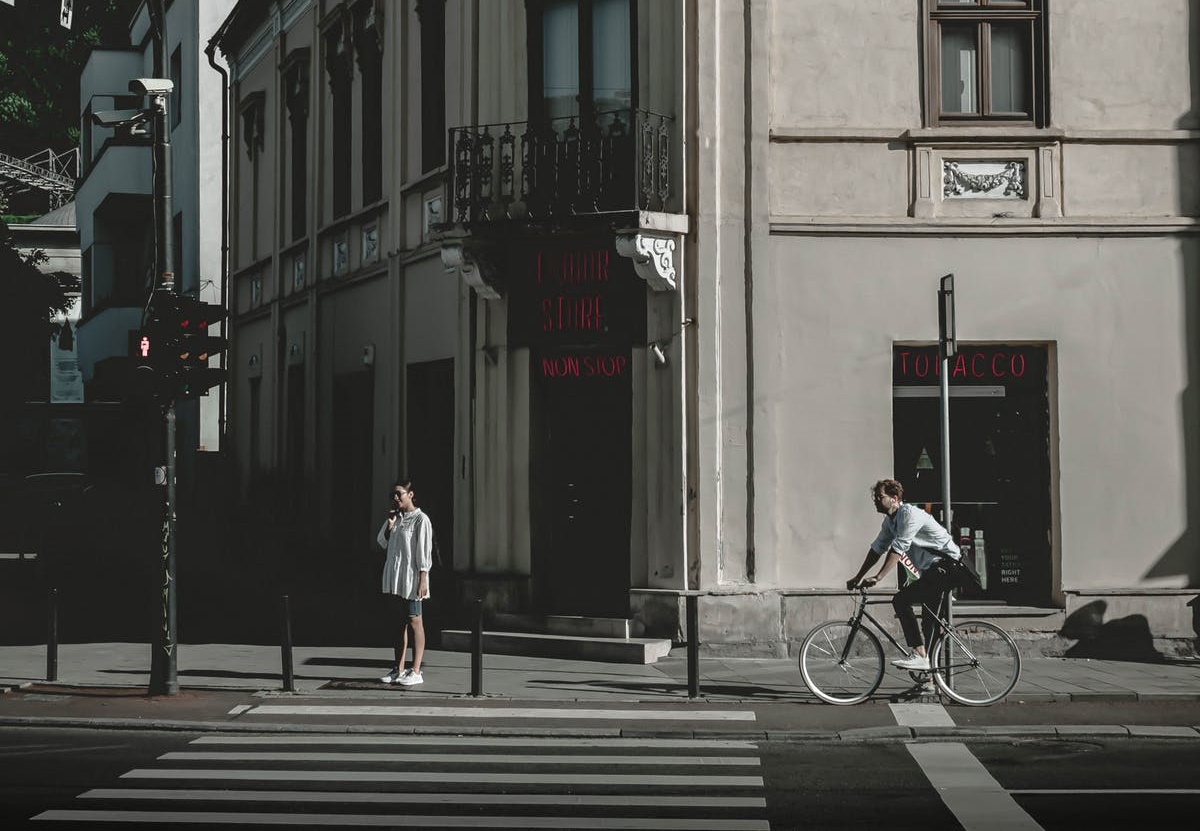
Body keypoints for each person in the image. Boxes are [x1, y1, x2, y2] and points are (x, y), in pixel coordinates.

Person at [846, 478, 961, 671]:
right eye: (875, 497)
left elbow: (898, 548)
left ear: (894, 498)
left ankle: (920, 655)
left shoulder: (909, 514)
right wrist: (858, 577)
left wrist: (878, 577)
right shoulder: (890, 522)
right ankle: (930, 676)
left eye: (879, 496)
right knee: (928, 625)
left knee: (901, 600)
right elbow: (877, 549)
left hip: (947, 566)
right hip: (932, 570)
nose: (875, 500)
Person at [376, 478, 433, 686]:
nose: (396, 497)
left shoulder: (421, 519)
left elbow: (423, 551)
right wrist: (390, 525)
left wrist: (423, 577)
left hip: (411, 577)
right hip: (394, 577)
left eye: (399, 493)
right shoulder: (396, 518)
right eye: (394, 494)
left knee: (415, 620)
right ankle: (398, 668)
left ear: (410, 494)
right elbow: (382, 542)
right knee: (397, 623)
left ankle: (416, 670)